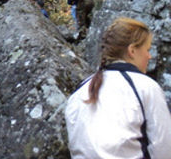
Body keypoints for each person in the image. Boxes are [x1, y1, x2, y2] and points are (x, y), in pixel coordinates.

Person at [65, 17, 171, 158]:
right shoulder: (145, 87)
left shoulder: (81, 90)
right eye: (147, 49)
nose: (149, 56)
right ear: (132, 50)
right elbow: (163, 148)